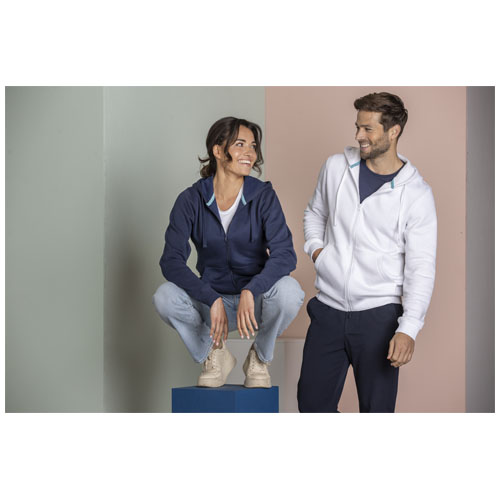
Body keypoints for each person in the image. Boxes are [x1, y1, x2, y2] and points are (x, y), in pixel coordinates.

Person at [297, 92, 437, 412]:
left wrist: (408, 328)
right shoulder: (336, 167)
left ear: (393, 131)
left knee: (377, 411)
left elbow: (421, 267)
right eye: (357, 127)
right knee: (311, 407)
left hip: (379, 317)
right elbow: (315, 213)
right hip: (328, 310)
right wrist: (318, 252)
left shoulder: (416, 194)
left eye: (368, 129)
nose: (359, 135)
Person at [154, 117, 304, 389]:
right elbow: (171, 261)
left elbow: (285, 254)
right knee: (164, 297)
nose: (250, 153)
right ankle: (214, 353)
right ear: (218, 150)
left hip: (254, 302)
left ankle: (259, 357)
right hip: (212, 304)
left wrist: (251, 289)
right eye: (240, 144)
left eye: (253, 146)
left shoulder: (263, 196)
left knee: (290, 292)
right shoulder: (191, 200)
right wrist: (210, 297)